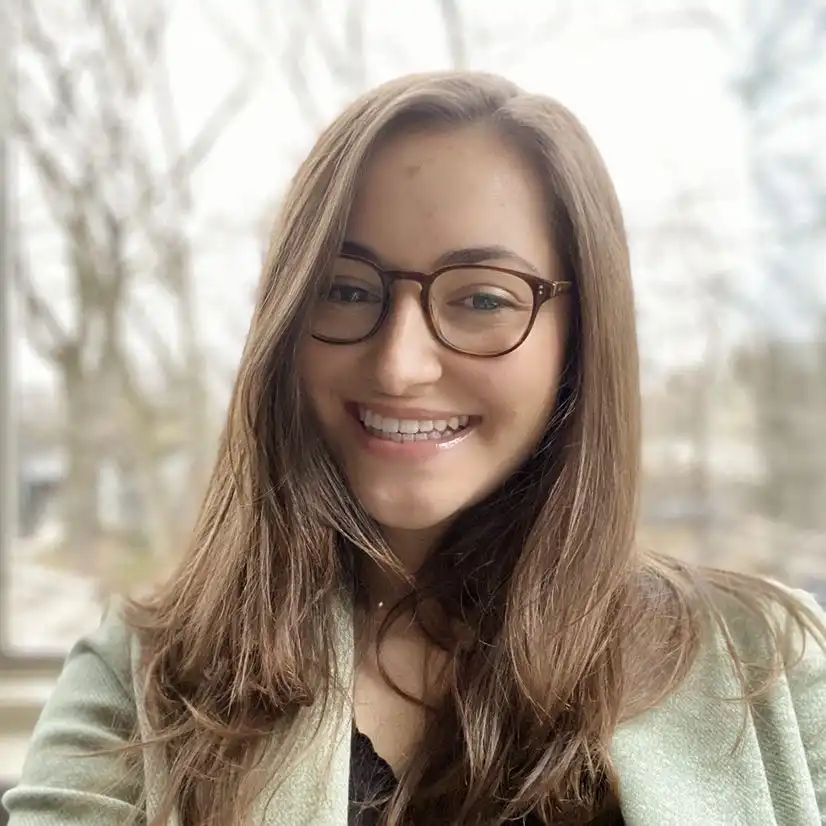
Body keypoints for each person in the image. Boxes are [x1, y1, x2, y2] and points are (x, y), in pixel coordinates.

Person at [3, 71, 825, 826]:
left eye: (482, 300)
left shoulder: (775, 665)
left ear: (579, 339)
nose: (400, 365)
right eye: (347, 289)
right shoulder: (141, 677)